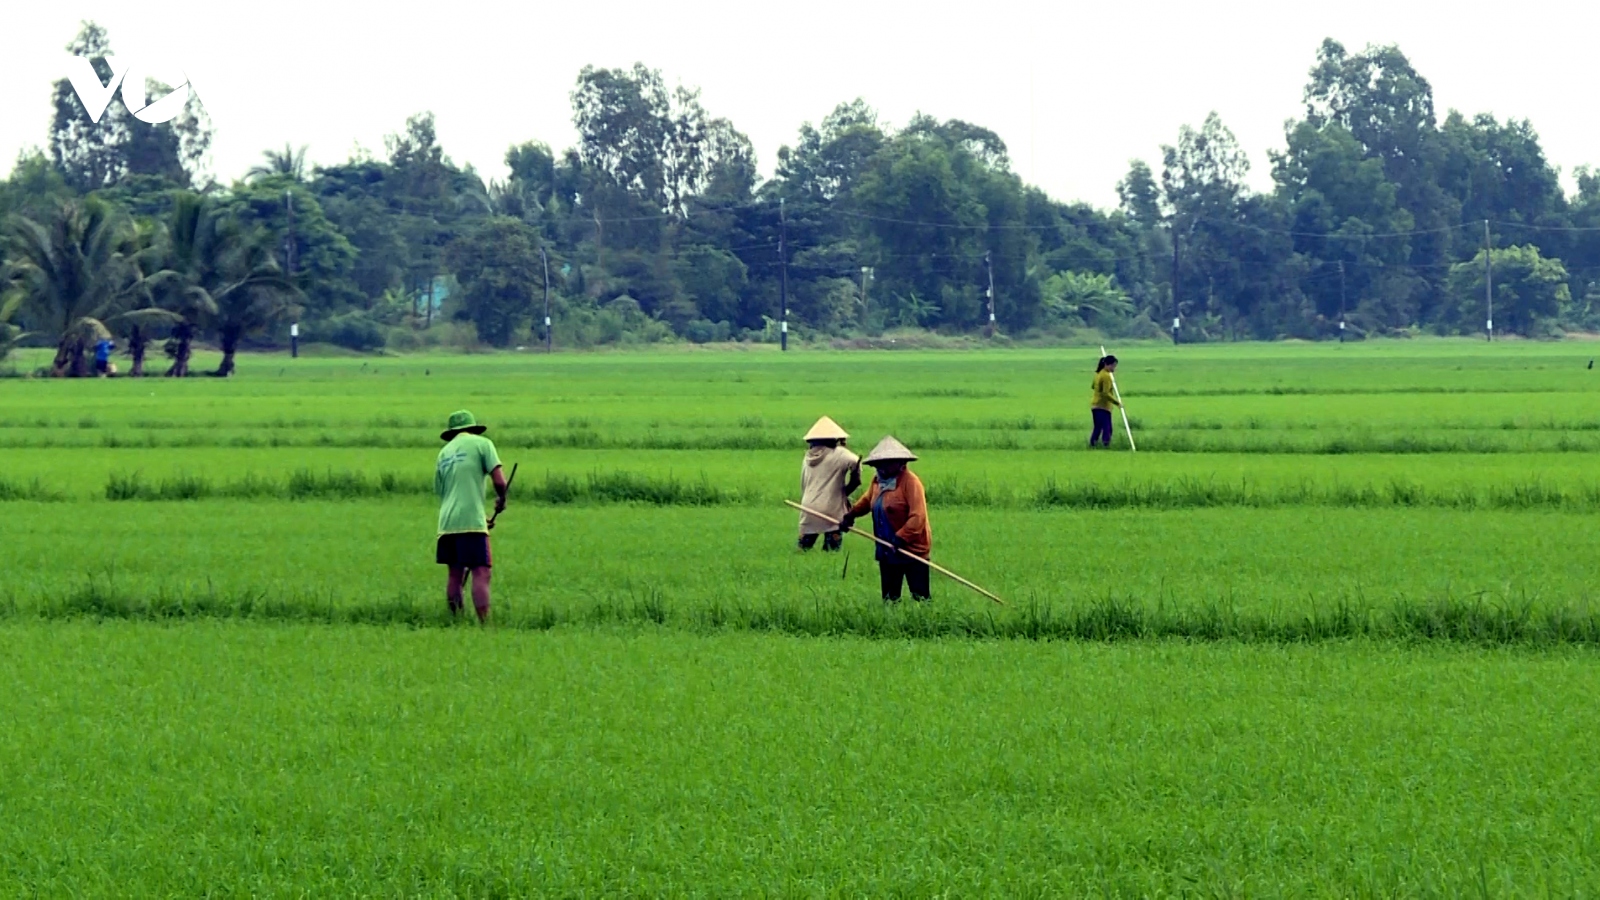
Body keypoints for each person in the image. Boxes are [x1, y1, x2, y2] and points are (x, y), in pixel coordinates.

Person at [435, 409, 508, 623]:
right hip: (470, 522)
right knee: (481, 571)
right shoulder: (483, 444)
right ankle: (485, 624)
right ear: (472, 428)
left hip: (446, 523)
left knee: (455, 575)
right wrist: (502, 498)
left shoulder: (443, 453)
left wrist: (480, 518)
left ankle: (455, 620)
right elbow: (500, 481)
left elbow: (444, 492)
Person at [842, 436, 931, 602]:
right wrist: (850, 515)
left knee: (920, 597)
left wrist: (900, 538)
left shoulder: (911, 483)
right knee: (890, 598)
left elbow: (918, 517)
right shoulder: (877, 482)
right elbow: (867, 501)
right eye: (879, 464)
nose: (882, 468)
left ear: (900, 463)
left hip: (911, 549)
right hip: (886, 548)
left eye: (887, 463)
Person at [797, 416, 861, 551]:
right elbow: (856, 463)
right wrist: (844, 492)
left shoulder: (808, 457)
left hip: (808, 506)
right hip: (831, 508)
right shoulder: (840, 454)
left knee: (803, 550)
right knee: (831, 552)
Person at [1090, 354, 1120, 448]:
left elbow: (1093, 386)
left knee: (1098, 428)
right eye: (1113, 366)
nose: (1114, 368)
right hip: (1102, 407)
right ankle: (1105, 445)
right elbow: (1105, 393)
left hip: (1095, 405)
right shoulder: (1106, 376)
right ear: (1107, 364)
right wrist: (1117, 403)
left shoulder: (1099, 374)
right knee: (1107, 429)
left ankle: (1093, 445)